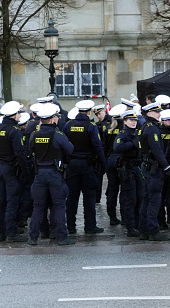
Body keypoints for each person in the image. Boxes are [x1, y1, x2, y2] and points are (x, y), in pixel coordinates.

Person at [28, 103, 75, 245]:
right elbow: (70, 149)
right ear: (53, 119)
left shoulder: (34, 135)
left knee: (38, 206)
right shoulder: (58, 135)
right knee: (59, 205)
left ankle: (33, 237)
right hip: (54, 173)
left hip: (40, 174)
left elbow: (30, 151)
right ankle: (62, 236)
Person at [63, 100, 106, 235]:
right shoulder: (91, 126)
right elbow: (98, 147)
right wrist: (103, 165)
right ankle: (90, 226)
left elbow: (63, 146)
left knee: (72, 197)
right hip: (88, 165)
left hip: (72, 165)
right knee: (89, 197)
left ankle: (70, 226)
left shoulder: (68, 125)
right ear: (88, 112)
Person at [0, 101, 29, 242]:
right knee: (12, 200)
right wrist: (26, 171)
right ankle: (11, 231)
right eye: (18, 113)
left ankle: (0, 231)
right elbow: (20, 153)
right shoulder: (14, 131)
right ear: (14, 115)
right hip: (11, 169)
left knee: (0, 200)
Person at [139, 103, 170, 241]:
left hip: (147, 166)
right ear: (149, 113)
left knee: (146, 199)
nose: (159, 114)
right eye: (156, 112)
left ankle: (144, 230)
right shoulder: (152, 129)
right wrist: (166, 166)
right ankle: (153, 230)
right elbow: (157, 149)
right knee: (154, 200)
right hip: (153, 168)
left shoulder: (145, 126)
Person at [113, 110, 143, 237]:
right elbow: (117, 148)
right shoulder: (122, 134)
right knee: (131, 199)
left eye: (135, 120)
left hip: (137, 168)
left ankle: (138, 224)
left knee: (140, 197)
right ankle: (131, 227)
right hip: (127, 168)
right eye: (131, 120)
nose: (133, 123)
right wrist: (131, 144)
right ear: (125, 121)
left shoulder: (137, 133)